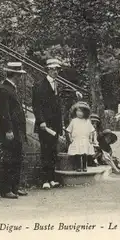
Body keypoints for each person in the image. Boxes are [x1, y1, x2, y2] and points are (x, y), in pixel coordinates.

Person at [32, 58, 82, 189]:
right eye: (53, 69)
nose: (56, 72)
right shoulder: (39, 85)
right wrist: (41, 121)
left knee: (53, 151)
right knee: (45, 151)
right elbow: (36, 106)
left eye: (57, 69)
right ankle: (45, 180)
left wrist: (75, 92)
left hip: (55, 124)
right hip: (45, 125)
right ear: (47, 70)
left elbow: (66, 92)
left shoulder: (57, 84)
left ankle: (52, 178)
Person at [0, 62, 28, 199]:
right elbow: (4, 112)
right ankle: (6, 189)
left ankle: (15, 187)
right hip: (9, 131)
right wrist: (8, 130)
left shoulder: (12, 88)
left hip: (17, 130)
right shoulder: (4, 89)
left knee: (17, 158)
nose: (21, 77)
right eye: (19, 75)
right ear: (14, 74)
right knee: (8, 159)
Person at [65, 101, 97, 172]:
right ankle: (78, 167)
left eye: (81, 111)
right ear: (75, 112)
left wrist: (91, 139)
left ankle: (84, 166)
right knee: (77, 154)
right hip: (76, 140)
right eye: (78, 111)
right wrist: (70, 139)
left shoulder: (87, 121)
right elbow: (68, 131)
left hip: (85, 140)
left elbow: (92, 131)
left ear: (85, 112)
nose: (79, 113)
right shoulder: (74, 121)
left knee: (84, 154)